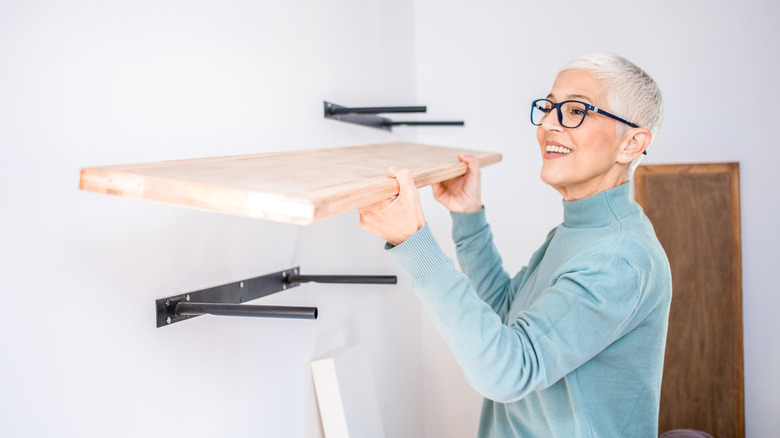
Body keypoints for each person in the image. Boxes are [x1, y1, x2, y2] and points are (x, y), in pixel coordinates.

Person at [359, 53, 672, 437]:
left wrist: (414, 243)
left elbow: (508, 371)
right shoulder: (582, 232)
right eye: (549, 107)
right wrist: (469, 217)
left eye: (575, 111)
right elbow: (505, 313)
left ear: (631, 144)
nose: (547, 123)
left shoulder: (618, 258)